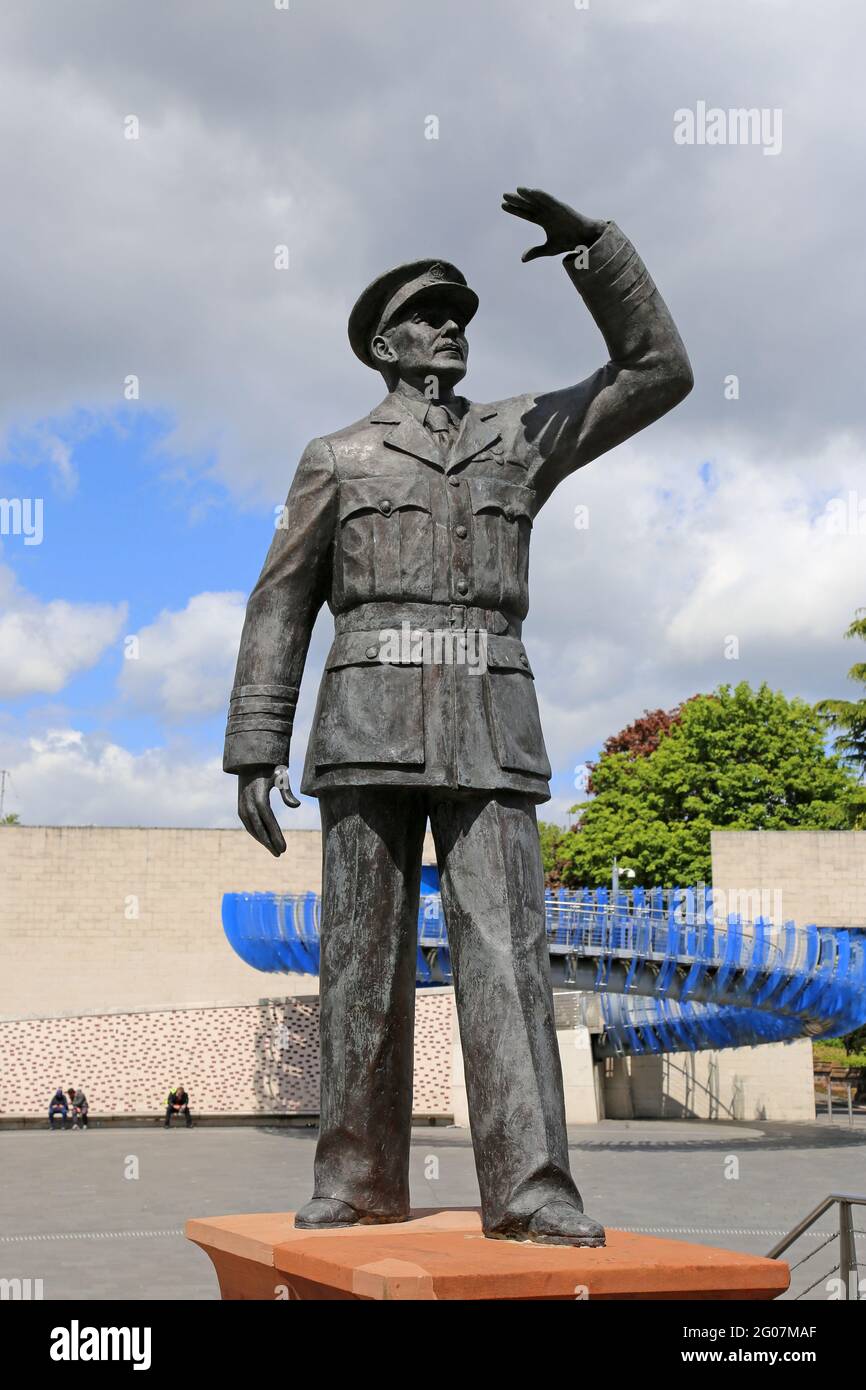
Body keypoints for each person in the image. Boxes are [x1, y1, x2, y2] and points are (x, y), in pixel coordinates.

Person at [223, 188, 692, 1246]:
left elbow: (658, 371)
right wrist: (255, 744)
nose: (449, 328)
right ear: (383, 346)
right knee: (359, 962)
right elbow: (280, 599)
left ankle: (532, 1189)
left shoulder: (517, 435)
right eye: (427, 316)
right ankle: (357, 1180)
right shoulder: (336, 456)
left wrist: (592, 251)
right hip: (366, 723)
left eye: (459, 315)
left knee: (508, 957)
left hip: (490, 720)